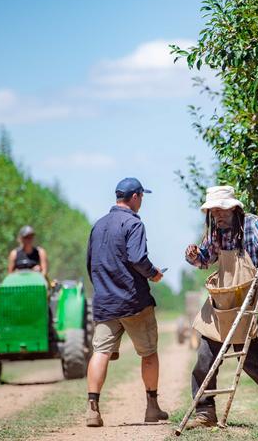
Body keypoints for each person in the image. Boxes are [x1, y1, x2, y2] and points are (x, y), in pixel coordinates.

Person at [184, 185, 258, 429]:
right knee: (205, 356)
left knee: (252, 363)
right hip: (221, 303)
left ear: (234, 208)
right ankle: (205, 411)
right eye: (213, 211)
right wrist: (194, 254)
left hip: (244, 305)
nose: (217, 215)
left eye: (221, 209)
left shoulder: (252, 225)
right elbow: (205, 259)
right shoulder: (215, 232)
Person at [85, 177, 168, 427]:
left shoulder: (98, 226)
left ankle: (92, 410)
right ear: (134, 197)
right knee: (149, 353)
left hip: (105, 303)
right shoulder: (133, 223)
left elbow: (91, 264)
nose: (141, 202)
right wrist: (154, 273)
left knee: (100, 352)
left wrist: (103, 289)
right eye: (141, 197)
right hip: (133, 302)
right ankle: (152, 408)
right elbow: (137, 257)